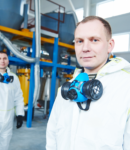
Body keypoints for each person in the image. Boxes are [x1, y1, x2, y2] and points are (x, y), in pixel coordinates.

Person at [46, 16, 130, 150]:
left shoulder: (125, 87)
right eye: (79, 41)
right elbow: (52, 134)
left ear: (110, 45)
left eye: (94, 40)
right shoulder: (67, 88)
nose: (85, 48)